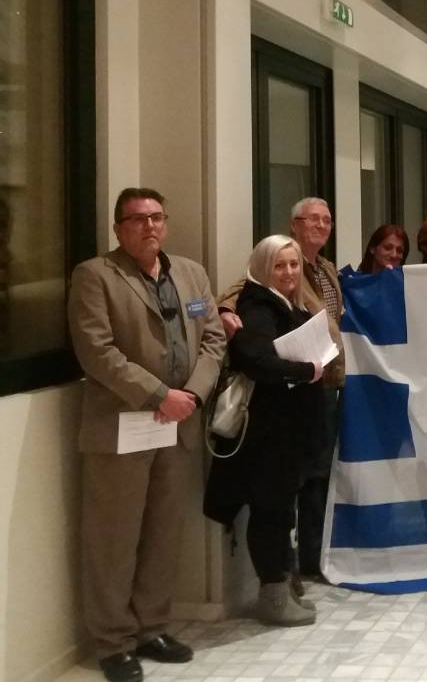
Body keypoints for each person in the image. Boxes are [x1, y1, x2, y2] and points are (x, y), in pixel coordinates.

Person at [67, 188, 225, 682]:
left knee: (162, 534)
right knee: (113, 540)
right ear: (119, 228)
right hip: (125, 427)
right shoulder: (95, 275)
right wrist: (159, 395)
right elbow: (98, 352)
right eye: (137, 219)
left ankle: (151, 627)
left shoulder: (191, 273)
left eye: (157, 217)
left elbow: (214, 338)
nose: (149, 226)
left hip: (179, 424)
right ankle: (113, 642)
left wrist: (192, 395)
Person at [217, 197, 343, 579]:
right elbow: (241, 290)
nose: (320, 225)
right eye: (312, 219)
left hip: (322, 384)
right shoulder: (274, 269)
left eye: (326, 220)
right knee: (284, 491)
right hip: (285, 396)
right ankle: (286, 575)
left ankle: (309, 561)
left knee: (315, 474)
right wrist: (223, 311)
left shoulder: (326, 269)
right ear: (295, 224)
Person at [204, 236, 326, 627]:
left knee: (281, 509)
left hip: (286, 431)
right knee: (271, 512)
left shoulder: (286, 302)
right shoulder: (258, 307)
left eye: (293, 264)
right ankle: (273, 593)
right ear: (261, 268)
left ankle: (282, 586)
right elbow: (255, 360)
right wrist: (305, 371)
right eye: (279, 265)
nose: (289, 272)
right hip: (268, 433)